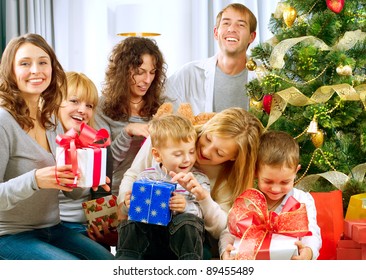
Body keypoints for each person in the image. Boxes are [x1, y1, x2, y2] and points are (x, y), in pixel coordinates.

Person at [0, 33, 114, 260]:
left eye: (43, 62)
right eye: (25, 63)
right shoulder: (4, 121)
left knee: (110, 264)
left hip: (54, 228)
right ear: (10, 71)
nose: (36, 70)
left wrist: (87, 179)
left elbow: (71, 194)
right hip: (11, 235)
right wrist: (35, 180)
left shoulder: (50, 122)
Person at [118, 107, 264, 258]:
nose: (206, 151)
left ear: (233, 157)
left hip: (188, 239)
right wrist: (125, 204)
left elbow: (223, 229)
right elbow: (133, 175)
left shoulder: (223, 179)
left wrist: (203, 199)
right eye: (207, 138)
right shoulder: (171, 135)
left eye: (219, 153)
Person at [116, 114, 210, 260]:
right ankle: (126, 262)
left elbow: (203, 214)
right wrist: (127, 205)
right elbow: (132, 214)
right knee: (132, 223)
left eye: (191, 152)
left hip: (181, 245)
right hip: (150, 242)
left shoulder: (198, 180)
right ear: (157, 155)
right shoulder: (146, 177)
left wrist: (186, 206)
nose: (187, 159)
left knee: (188, 222)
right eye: (178, 154)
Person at [219, 130, 322, 260]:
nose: (276, 189)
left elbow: (311, 233)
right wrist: (225, 252)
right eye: (268, 181)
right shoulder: (247, 199)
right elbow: (229, 232)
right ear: (256, 172)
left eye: (285, 182)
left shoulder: (302, 200)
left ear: (296, 171)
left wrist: (309, 252)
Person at [95, 36, 167, 194]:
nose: (147, 80)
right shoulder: (102, 106)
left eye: (152, 72)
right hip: (115, 195)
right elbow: (104, 167)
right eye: (140, 72)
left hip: (156, 194)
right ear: (122, 71)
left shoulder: (163, 106)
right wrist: (127, 132)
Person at [164, 3, 257, 114]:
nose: (232, 29)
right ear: (216, 33)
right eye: (226, 23)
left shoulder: (265, 76)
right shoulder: (189, 73)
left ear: (252, 37)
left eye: (241, 25)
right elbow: (159, 107)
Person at [57, 71, 100, 235]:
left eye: (89, 105)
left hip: (85, 226)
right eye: (74, 101)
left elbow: (100, 194)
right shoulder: (45, 141)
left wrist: (100, 225)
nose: (83, 110)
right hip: (57, 226)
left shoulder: (95, 143)